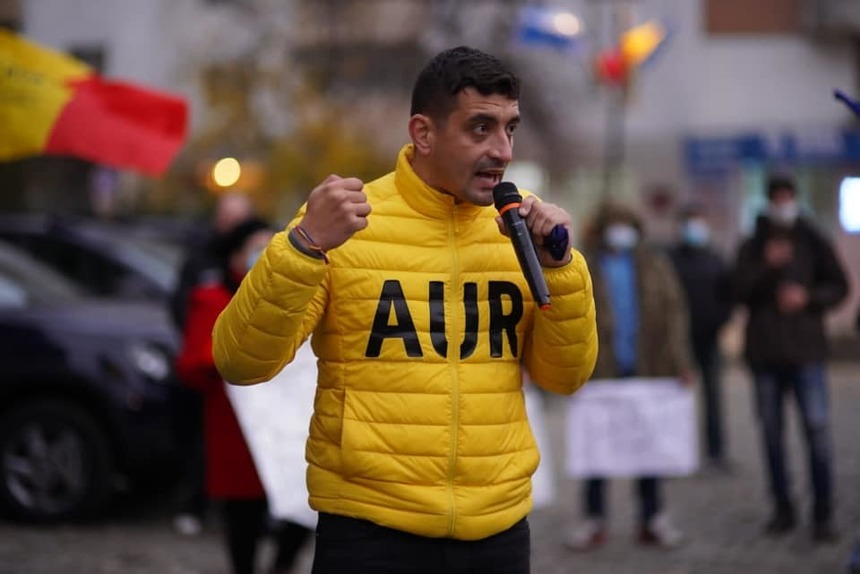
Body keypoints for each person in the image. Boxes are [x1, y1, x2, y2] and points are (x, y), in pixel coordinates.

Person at [211, 45, 599, 574]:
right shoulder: (344, 221)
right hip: (371, 531)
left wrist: (561, 269)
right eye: (480, 128)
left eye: (510, 128)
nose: (503, 149)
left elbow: (565, 376)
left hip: (497, 530)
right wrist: (302, 244)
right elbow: (241, 361)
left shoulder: (519, 229)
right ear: (423, 133)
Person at [176, 218, 313, 574]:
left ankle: (282, 565)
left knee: (302, 501)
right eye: (255, 248)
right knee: (243, 514)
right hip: (235, 431)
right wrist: (226, 359)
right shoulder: (212, 299)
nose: (263, 255)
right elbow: (192, 365)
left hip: (290, 425)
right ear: (235, 254)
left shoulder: (298, 299)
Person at [566, 201, 694, 552]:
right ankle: (594, 520)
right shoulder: (583, 265)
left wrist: (681, 362)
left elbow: (674, 315)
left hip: (648, 370)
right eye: (614, 223)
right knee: (597, 449)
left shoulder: (653, 265)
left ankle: (652, 519)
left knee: (648, 448)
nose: (620, 231)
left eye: (627, 223)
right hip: (601, 372)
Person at [732, 174, 849, 542]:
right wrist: (766, 266)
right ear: (767, 201)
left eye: (787, 197)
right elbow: (735, 290)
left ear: (795, 198)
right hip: (766, 354)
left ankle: (823, 513)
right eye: (776, 198)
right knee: (771, 435)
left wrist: (808, 298)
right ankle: (782, 509)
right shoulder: (753, 244)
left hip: (806, 351)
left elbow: (840, 286)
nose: (782, 203)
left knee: (817, 433)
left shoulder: (813, 239)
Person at [170, 192, 256, 536]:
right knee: (202, 444)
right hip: (210, 371)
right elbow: (181, 303)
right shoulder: (201, 259)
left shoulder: (259, 258)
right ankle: (197, 505)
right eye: (224, 215)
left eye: (236, 217)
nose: (229, 224)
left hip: (250, 371)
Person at [667, 203, 734, 472]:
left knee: (713, 398)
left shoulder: (714, 258)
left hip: (709, 338)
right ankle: (672, 453)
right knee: (673, 399)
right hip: (676, 341)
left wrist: (719, 321)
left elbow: (728, 295)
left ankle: (716, 452)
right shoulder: (669, 259)